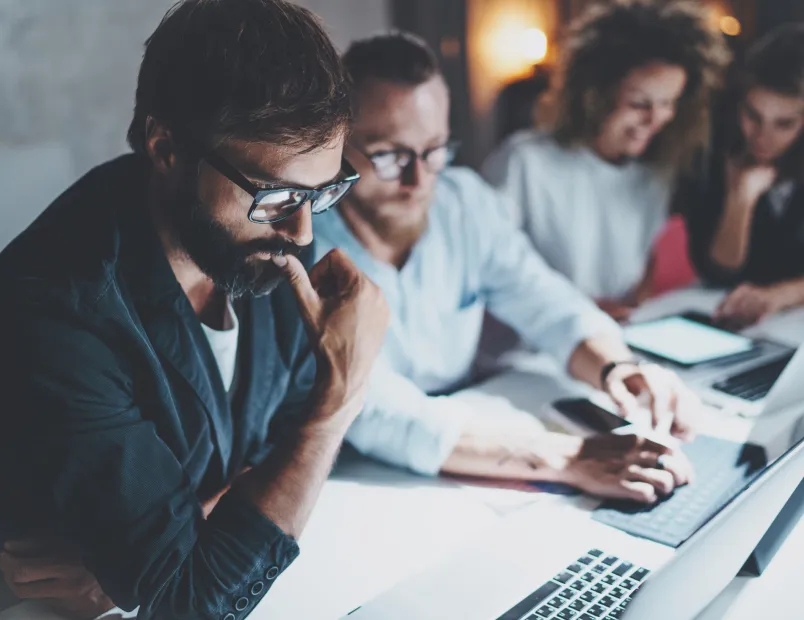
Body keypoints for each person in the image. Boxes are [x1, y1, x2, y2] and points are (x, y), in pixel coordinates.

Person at [0, 1, 389, 618]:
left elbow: (273, 453)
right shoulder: (56, 307)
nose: (304, 231)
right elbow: (186, 604)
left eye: (322, 192)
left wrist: (165, 544)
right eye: (277, 196)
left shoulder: (265, 244)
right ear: (167, 148)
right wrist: (335, 404)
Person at [315, 32, 700, 506]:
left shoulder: (464, 200)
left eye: (434, 149)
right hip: (359, 478)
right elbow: (373, 408)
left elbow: (543, 298)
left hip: (475, 448)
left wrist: (616, 367)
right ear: (336, 144)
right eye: (390, 155)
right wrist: (567, 458)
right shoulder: (304, 244)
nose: (419, 179)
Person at [483, 0, 730, 321]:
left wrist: (633, 304)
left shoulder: (655, 174)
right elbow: (484, 271)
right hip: (536, 339)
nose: (656, 119)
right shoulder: (524, 163)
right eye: (639, 104)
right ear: (594, 97)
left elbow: (641, 263)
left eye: (668, 103)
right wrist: (578, 310)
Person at [685, 25, 804, 327]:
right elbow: (718, 272)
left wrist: (781, 295)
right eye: (753, 115)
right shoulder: (714, 150)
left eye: (784, 124)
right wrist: (741, 200)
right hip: (732, 313)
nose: (762, 137)